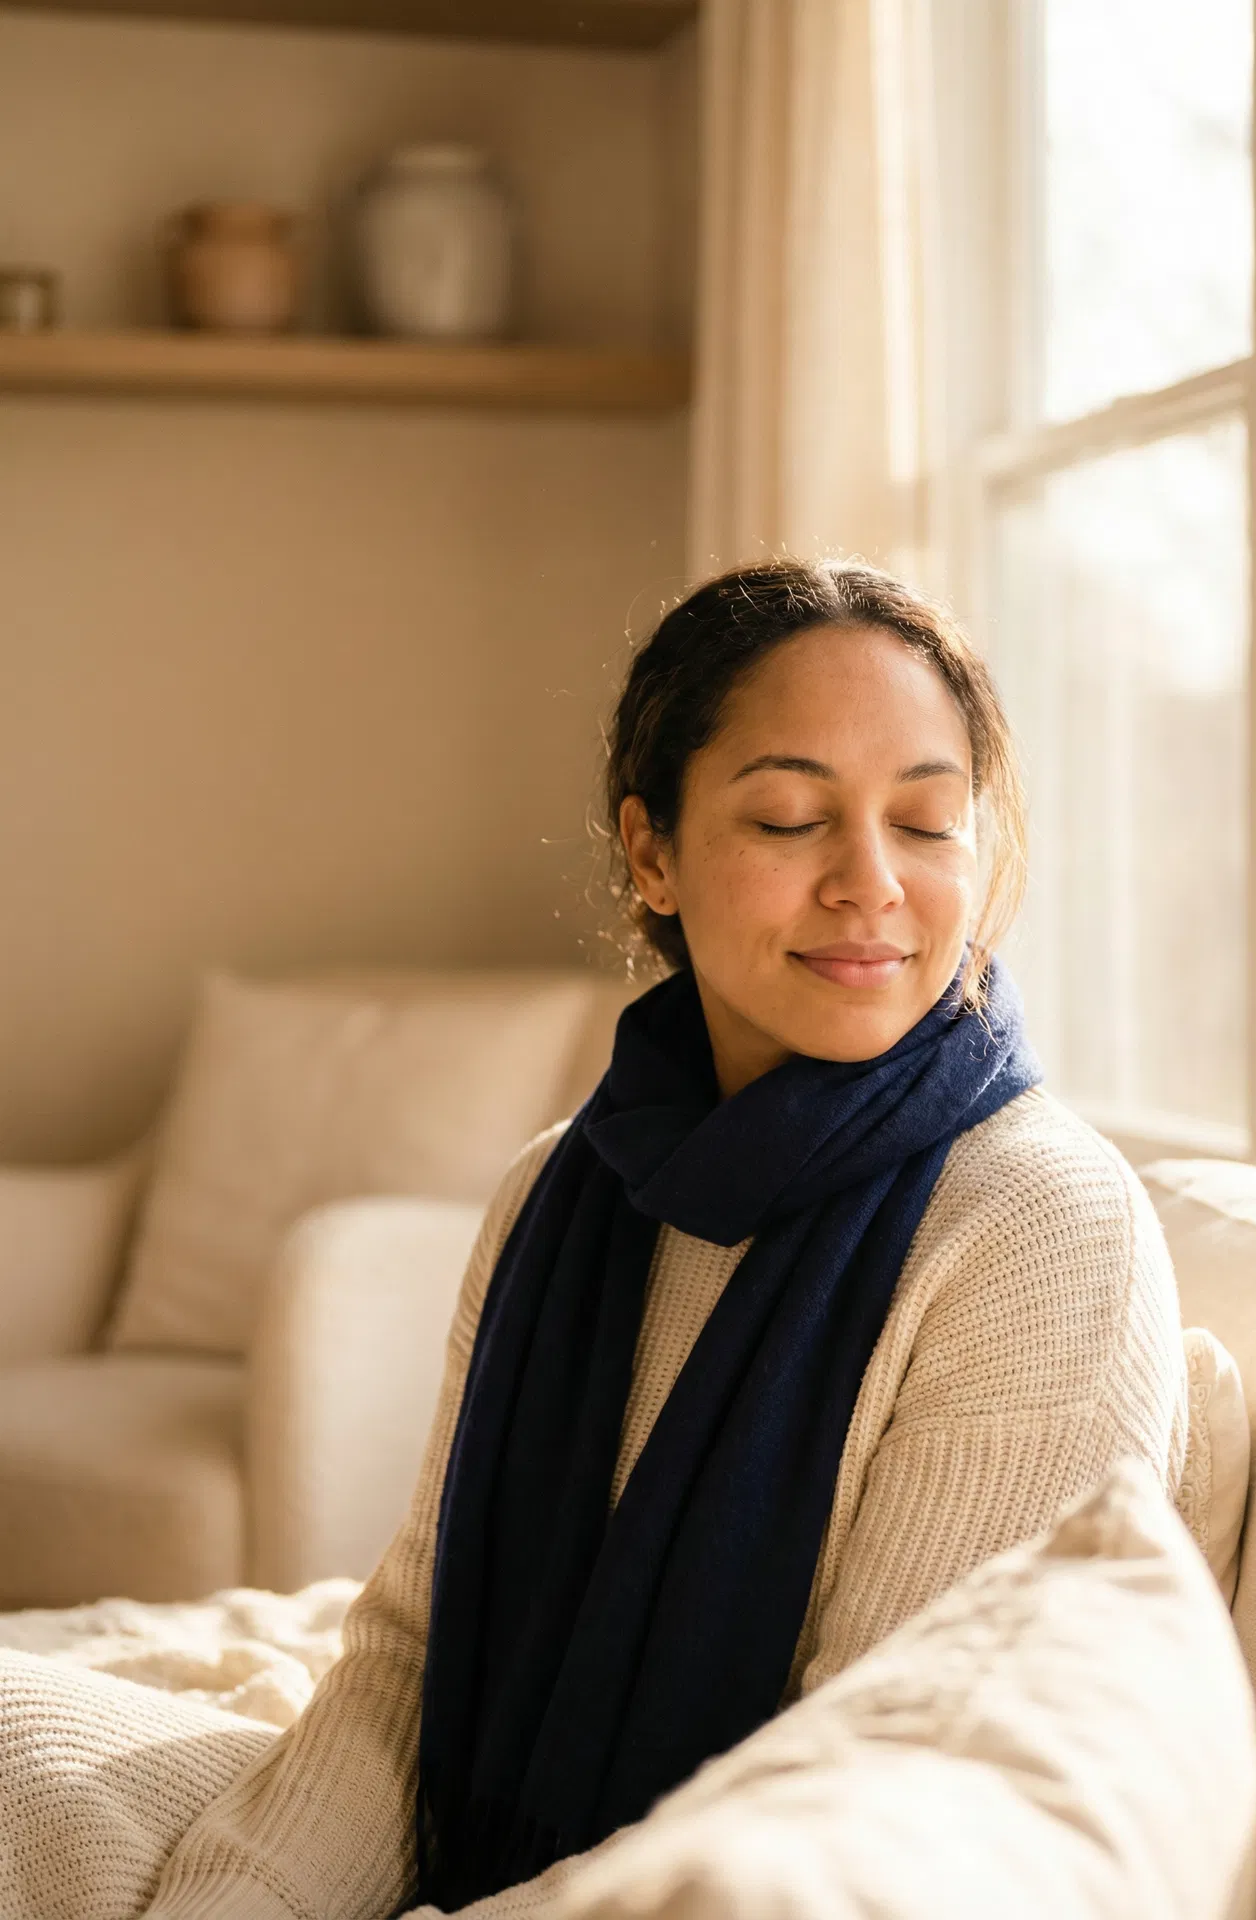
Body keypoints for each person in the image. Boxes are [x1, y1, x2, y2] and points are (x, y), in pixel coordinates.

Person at [3, 560, 1188, 1920]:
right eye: (795, 817)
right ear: (651, 853)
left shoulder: (1034, 1225)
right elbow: (410, 1656)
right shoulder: (561, 1193)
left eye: (926, 823)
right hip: (487, 1839)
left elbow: (872, 1801)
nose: (872, 885)